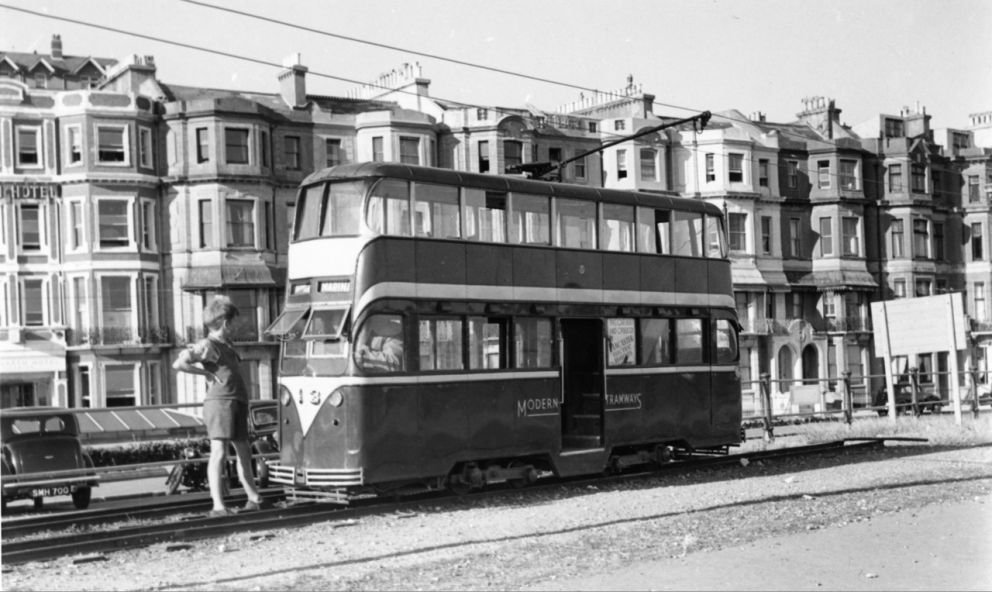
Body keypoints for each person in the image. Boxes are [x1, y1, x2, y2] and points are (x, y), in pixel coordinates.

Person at [173, 295, 266, 516]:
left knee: (243, 450)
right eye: (232, 322)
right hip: (220, 402)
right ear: (225, 323)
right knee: (219, 452)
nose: (234, 326)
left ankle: (253, 497)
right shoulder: (208, 344)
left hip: (235, 401)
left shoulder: (226, 345)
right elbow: (180, 362)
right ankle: (218, 505)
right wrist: (204, 372)